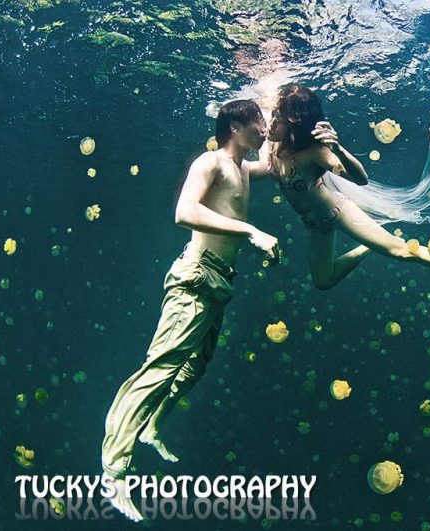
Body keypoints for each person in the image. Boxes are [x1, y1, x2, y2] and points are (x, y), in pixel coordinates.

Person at [100, 100, 280, 522]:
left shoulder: (241, 170)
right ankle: (113, 471)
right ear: (235, 125)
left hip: (218, 283)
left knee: (193, 367)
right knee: (159, 370)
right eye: (258, 121)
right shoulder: (211, 162)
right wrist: (251, 230)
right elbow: (185, 212)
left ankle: (151, 427)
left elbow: (273, 165)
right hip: (195, 279)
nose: (264, 128)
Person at [249, 84, 430, 298]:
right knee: (323, 281)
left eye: (278, 120)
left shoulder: (314, 153)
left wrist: (338, 148)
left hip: (337, 211)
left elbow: (361, 179)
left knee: (398, 251)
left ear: (296, 125)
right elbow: (262, 167)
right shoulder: (273, 140)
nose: (271, 123)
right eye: (274, 116)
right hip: (313, 223)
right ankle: (368, 245)